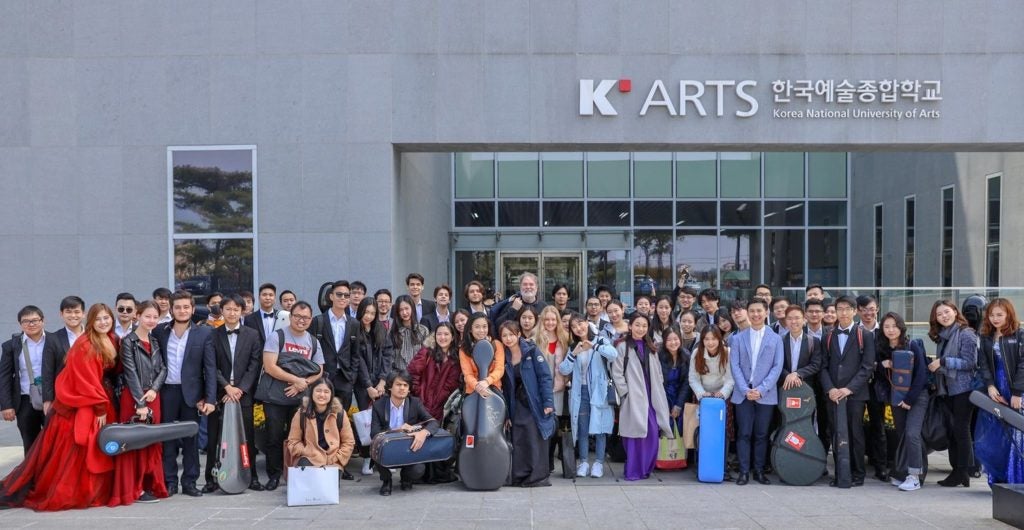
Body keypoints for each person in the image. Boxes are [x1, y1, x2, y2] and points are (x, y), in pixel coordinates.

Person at [0, 304, 119, 510]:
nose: (103, 322)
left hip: (96, 399)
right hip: (86, 402)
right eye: (98, 319)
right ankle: (75, 491)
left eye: (106, 318)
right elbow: (86, 380)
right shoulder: (86, 344)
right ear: (90, 321)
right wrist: (100, 406)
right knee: (77, 451)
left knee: (90, 448)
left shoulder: (106, 339)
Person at [153, 290, 217, 497]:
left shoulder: (204, 333)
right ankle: (170, 481)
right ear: (171, 310)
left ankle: (190, 482)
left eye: (186, 307)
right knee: (167, 439)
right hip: (167, 392)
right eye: (178, 307)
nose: (182, 310)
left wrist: (210, 398)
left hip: (192, 395)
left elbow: (210, 368)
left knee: (191, 438)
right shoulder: (160, 331)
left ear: (192, 309)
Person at [259, 300, 325, 491]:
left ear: (310, 319)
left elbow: (319, 370)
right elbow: (269, 366)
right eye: (297, 316)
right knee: (274, 436)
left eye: (306, 317)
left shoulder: (313, 341)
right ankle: (274, 475)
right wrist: (296, 380)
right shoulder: (276, 336)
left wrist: (303, 384)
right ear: (291, 316)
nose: (301, 320)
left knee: (299, 437)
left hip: (300, 397)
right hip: (275, 397)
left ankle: (296, 472)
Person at [203, 295, 265, 493]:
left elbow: (255, 365)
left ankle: (251, 477)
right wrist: (226, 387)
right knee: (214, 437)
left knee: (246, 436)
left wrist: (240, 389)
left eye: (236, 309)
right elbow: (210, 366)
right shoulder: (212, 335)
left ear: (242, 311)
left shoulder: (252, 335)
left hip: (243, 394)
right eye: (228, 309)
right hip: (219, 392)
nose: (232, 313)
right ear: (221, 311)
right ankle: (211, 479)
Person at [113, 300, 168, 504]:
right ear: (138, 316)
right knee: (134, 443)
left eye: (155, 317)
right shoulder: (128, 342)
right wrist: (141, 403)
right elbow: (130, 373)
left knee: (152, 442)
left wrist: (154, 389)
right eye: (147, 316)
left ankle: (151, 484)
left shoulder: (155, 341)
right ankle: (134, 488)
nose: (151, 320)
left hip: (153, 396)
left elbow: (163, 368)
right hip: (135, 398)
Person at [820, 295, 876, 487]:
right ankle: (841, 473)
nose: (843, 313)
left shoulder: (864, 335)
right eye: (840, 309)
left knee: (855, 433)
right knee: (836, 432)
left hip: (855, 395)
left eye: (847, 309)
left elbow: (867, 366)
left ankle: (858, 473)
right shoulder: (828, 336)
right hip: (833, 395)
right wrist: (830, 389)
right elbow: (823, 366)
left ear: (854, 311)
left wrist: (849, 388)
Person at [729, 298, 784, 486]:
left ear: (766, 312)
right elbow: (734, 366)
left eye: (759, 310)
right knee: (744, 433)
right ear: (747, 312)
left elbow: (777, 367)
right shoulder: (737, 338)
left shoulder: (776, 339)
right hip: (743, 393)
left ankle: (759, 471)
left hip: (765, 394)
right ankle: (744, 471)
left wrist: (761, 389)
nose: (755, 314)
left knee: (761, 434)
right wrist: (745, 389)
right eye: (752, 310)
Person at [612, 314, 672, 481]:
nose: (641, 329)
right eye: (637, 325)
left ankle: (645, 468)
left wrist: (659, 385)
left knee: (652, 432)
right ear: (630, 326)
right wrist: (625, 393)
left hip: (651, 395)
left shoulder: (651, 346)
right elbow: (616, 372)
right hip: (633, 396)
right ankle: (633, 470)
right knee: (633, 435)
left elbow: (658, 371)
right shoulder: (622, 346)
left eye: (644, 326)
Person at [928, 299, 978, 487]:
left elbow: (970, 363)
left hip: (964, 389)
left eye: (947, 312)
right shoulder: (943, 335)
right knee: (954, 431)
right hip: (948, 389)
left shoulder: (966, 333)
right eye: (939, 314)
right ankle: (958, 471)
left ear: (955, 312)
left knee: (961, 431)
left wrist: (943, 362)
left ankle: (962, 472)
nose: (944, 316)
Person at [560, 315, 617, 478]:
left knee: (600, 428)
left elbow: (613, 355)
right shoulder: (573, 346)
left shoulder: (600, 340)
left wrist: (595, 346)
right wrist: (574, 354)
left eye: (580, 323)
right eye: (574, 326)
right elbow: (563, 370)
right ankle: (584, 462)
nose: (578, 328)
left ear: (587, 323)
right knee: (582, 428)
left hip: (599, 391)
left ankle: (598, 463)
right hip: (581, 392)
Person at [974, 298, 1024, 485]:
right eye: (991, 315)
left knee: (1017, 433)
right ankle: (998, 479)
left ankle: (1016, 479)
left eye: (999, 315)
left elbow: (1023, 365)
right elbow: (983, 364)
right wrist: (990, 386)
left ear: (1009, 314)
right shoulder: (986, 336)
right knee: (996, 434)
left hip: (1016, 390)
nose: (995, 319)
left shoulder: (1019, 335)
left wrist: (1017, 392)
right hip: (995, 390)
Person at [878, 312, 929, 491]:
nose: (891, 330)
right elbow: (880, 377)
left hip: (917, 396)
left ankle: (915, 477)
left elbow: (922, 374)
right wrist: (881, 365)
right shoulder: (882, 348)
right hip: (896, 397)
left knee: (912, 433)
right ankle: (903, 472)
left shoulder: (912, 345)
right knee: (901, 436)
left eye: (894, 326)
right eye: (886, 326)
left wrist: (909, 399)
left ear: (901, 327)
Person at [500, 322, 555, 487]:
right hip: (515, 403)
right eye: (504, 336)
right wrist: (505, 413)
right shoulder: (503, 356)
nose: (508, 339)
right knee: (518, 438)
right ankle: (519, 476)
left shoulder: (531, 350)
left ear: (518, 334)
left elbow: (545, 377)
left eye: (511, 334)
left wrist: (548, 402)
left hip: (533, 401)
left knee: (534, 437)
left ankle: (537, 477)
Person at [370, 370, 440, 496]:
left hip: (408, 448)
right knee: (377, 449)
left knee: (419, 469)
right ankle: (386, 481)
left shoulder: (415, 403)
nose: (402, 388)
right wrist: (397, 430)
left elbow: (433, 422)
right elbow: (374, 433)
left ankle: (406, 478)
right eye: (398, 384)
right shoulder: (379, 405)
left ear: (409, 389)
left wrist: (424, 432)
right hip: (388, 447)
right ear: (390, 387)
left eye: (405, 385)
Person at [408, 322, 460, 483]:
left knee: (436, 435)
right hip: (422, 401)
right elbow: (413, 373)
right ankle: (420, 472)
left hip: (441, 404)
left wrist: (439, 401)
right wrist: (418, 394)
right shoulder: (427, 352)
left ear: (452, 337)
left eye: (446, 334)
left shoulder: (455, 358)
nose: (442, 337)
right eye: (439, 334)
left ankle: (436, 473)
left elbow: (450, 385)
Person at [779, 305, 827, 455]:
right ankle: (787, 457)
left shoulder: (814, 341)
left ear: (804, 319)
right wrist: (788, 375)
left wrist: (797, 374)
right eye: (790, 318)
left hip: (806, 391)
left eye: (797, 318)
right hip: (785, 389)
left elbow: (816, 364)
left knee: (806, 424)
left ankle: (805, 457)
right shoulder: (780, 340)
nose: (794, 321)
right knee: (786, 423)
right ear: (785, 321)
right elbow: (776, 364)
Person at [0, 306, 48, 453]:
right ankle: (31, 469)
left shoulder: (54, 340)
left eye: (35, 320)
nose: (31, 324)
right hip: (25, 400)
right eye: (26, 321)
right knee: (30, 444)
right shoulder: (11, 346)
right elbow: (4, 376)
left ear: (43, 321)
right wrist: (6, 405)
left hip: (52, 399)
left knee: (54, 442)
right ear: (20, 324)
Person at [354, 298, 394, 475]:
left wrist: (383, 381)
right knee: (366, 421)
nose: (368, 316)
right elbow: (358, 360)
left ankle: (385, 457)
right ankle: (367, 458)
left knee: (384, 419)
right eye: (366, 312)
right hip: (363, 384)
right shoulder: (355, 329)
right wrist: (368, 386)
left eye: (372, 313)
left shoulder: (380, 329)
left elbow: (387, 355)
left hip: (380, 383)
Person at [311, 281, 360, 415]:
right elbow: (311, 350)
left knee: (341, 417)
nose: (343, 298)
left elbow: (355, 353)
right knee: (320, 414)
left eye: (346, 295)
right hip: (323, 375)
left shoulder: (354, 323)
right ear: (331, 296)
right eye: (339, 294)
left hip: (345, 377)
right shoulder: (318, 321)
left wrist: (352, 377)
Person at [286, 378, 356, 469]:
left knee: (331, 477)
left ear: (331, 395)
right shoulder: (301, 413)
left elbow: (349, 442)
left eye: (326, 392)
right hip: (309, 458)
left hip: (333, 460)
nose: (322, 395)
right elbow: (293, 441)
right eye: (318, 391)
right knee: (306, 471)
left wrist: (337, 458)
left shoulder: (340, 414)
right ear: (312, 393)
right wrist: (306, 451)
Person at [533, 305, 569, 470]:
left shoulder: (564, 338)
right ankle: (543, 460)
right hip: (541, 388)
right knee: (542, 423)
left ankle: (550, 460)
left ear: (557, 321)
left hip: (558, 388)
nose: (550, 322)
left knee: (555, 423)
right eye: (546, 319)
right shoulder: (535, 338)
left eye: (553, 319)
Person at [857, 294, 889, 481]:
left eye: (871, 309)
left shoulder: (884, 331)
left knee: (879, 426)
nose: (868, 313)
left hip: (878, 385)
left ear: (877, 309)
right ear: (858, 311)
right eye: (864, 309)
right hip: (857, 386)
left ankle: (881, 466)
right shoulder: (854, 331)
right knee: (856, 427)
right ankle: (857, 465)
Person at [41, 295, 85, 415]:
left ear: (83, 314)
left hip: (88, 393)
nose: (73, 315)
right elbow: (47, 371)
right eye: (68, 312)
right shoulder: (53, 339)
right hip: (62, 396)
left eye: (77, 312)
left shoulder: (92, 336)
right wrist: (47, 400)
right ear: (61, 314)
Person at [459, 313, 504, 397]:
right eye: (477, 327)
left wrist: (487, 381)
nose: (481, 330)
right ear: (470, 329)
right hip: (472, 390)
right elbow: (467, 374)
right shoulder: (464, 349)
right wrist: (477, 386)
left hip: (493, 388)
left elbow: (499, 369)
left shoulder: (496, 345)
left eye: (484, 326)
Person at [659, 327, 692, 435]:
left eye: (675, 339)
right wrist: (664, 405)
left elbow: (687, 383)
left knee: (680, 429)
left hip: (680, 397)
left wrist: (678, 405)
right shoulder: (658, 356)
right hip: (663, 396)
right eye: (669, 340)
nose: (673, 343)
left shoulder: (686, 355)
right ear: (664, 341)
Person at [389, 295, 429, 372]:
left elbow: (427, 356)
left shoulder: (423, 330)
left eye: (406, 308)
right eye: (401, 310)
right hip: (398, 375)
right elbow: (390, 358)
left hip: (419, 374)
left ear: (412, 308)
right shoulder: (392, 333)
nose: (404, 312)